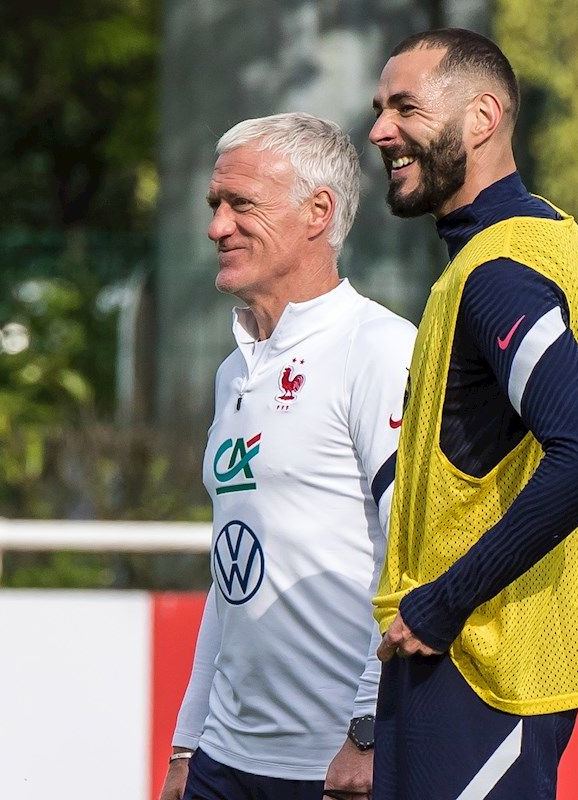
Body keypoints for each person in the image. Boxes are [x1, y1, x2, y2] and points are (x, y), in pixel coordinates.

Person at [366, 28, 578, 799]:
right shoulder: (548, 236)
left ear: (482, 118)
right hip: (468, 660)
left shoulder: (499, 269)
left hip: (477, 670)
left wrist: (447, 601)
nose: (380, 131)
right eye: (379, 109)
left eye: (405, 108)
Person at [158, 112, 416, 800]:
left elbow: (414, 556)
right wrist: (188, 741)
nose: (217, 227)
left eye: (241, 204)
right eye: (215, 205)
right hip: (223, 758)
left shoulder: (379, 349)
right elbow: (231, 570)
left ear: (317, 212)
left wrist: (368, 731)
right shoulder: (234, 370)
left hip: (332, 764)